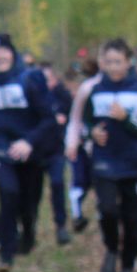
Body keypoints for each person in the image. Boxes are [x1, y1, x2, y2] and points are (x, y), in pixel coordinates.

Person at [68, 37, 137, 272]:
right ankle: (111, 249)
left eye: (118, 62)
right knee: (107, 210)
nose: (113, 67)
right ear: (102, 63)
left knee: (133, 217)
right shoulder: (95, 91)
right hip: (104, 162)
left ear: (128, 62)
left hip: (134, 164)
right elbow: (85, 122)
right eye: (108, 62)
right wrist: (92, 133)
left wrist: (126, 118)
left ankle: (128, 263)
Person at [0, 32, 56, 272]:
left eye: (3, 50)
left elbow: (48, 119)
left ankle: (28, 233)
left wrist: (29, 142)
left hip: (30, 153)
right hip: (1, 153)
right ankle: (6, 254)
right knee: (8, 195)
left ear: (13, 52)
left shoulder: (29, 79)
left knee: (28, 205)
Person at [37, 60, 76, 244]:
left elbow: (74, 117)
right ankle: (29, 228)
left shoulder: (62, 96)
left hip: (56, 150)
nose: (46, 82)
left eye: (49, 78)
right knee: (31, 193)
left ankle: (61, 226)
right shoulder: (32, 97)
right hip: (35, 152)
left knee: (58, 183)